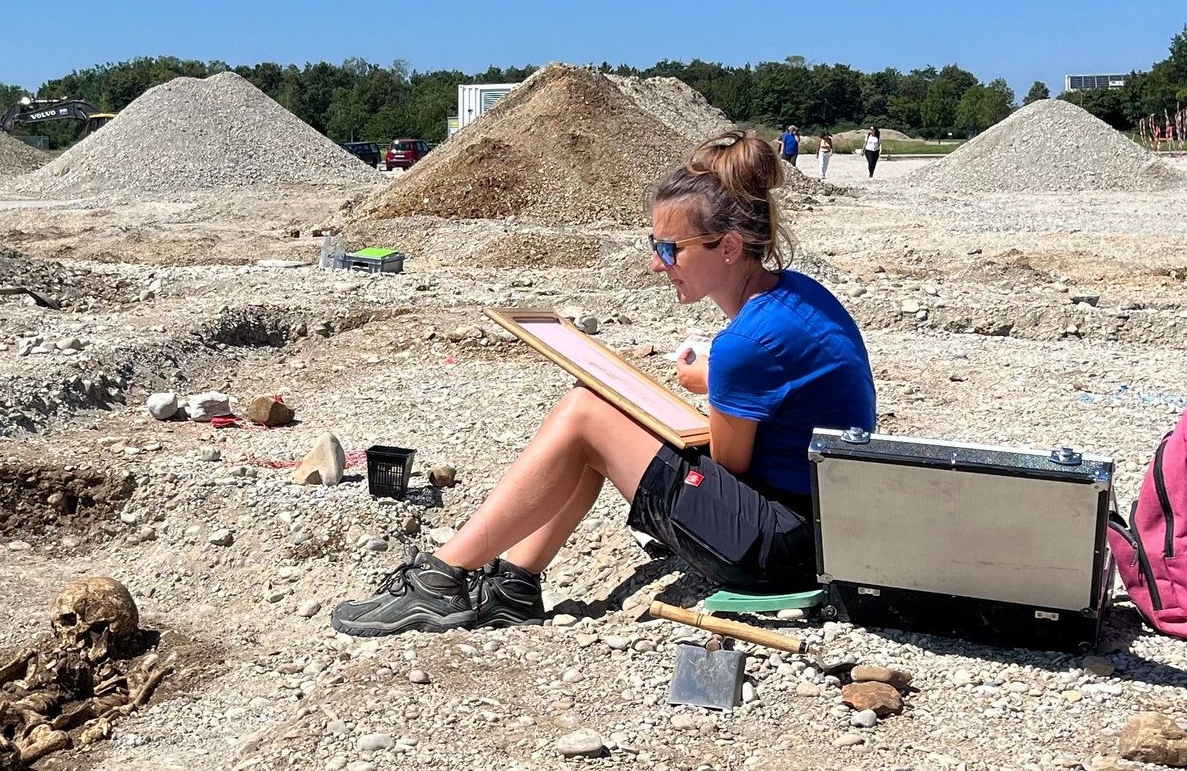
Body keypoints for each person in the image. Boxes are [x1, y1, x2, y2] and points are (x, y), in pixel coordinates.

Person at [330, 130, 877, 637]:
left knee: (588, 414)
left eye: (671, 249)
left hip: (784, 548)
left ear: (728, 246)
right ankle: (515, 582)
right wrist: (704, 384)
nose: (660, 264)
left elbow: (733, 466)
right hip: (829, 524)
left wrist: (704, 391)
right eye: (655, 245)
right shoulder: (797, 296)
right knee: (603, 417)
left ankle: (441, 577)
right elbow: (782, 384)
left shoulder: (744, 347)